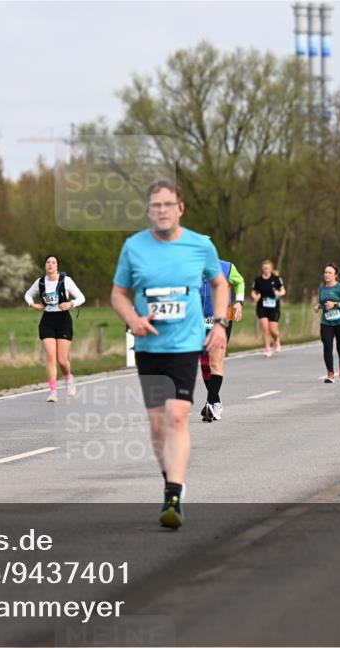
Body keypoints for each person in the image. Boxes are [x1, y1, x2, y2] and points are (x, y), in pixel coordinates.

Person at [111, 180, 228, 530]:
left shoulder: (199, 245)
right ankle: (170, 479)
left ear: (181, 208)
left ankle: (173, 495)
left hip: (185, 344)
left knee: (177, 416)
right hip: (149, 347)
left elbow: (220, 283)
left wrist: (220, 324)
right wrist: (132, 318)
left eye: (168, 204)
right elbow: (118, 293)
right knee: (158, 425)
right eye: (155, 205)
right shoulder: (134, 247)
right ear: (148, 211)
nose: (162, 210)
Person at [24, 255, 86, 402]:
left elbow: (81, 298)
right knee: (51, 357)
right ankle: (53, 392)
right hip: (47, 320)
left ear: (57, 266)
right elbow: (27, 295)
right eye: (48, 262)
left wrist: (70, 304)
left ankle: (68, 379)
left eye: (53, 262)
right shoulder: (40, 282)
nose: (50, 265)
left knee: (62, 360)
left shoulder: (66, 281)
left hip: (63, 320)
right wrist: (32, 304)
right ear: (45, 266)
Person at [198, 259, 245, 422]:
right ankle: (215, 401)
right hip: (198, 322)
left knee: (215, 361)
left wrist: (239, 302)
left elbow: (240, 282)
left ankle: (210, 404)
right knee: (204, 364)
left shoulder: (227, 267)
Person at [315, 264, 340, 383]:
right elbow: (323, 303)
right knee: (327, 347)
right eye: (325, 272)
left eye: (330, 273)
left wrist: (335, 305)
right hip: (326, 322)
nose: (327, 275)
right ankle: (330, 374)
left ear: (335, 275)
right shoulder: (322, 288)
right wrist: (318, 306)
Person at [249, 260, 285, 358]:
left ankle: (276, 339)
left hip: (274, 307)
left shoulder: (276, 279)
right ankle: (267, 348)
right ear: (262, 269)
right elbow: (253, 292)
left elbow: (283, 291)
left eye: (268, 268)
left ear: (271, 269)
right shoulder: (258, 280)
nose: (266, 270)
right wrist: (255, 297)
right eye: (264, 268)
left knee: (273, 330)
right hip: (262, 306)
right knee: (265, 328)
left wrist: (279, 293)